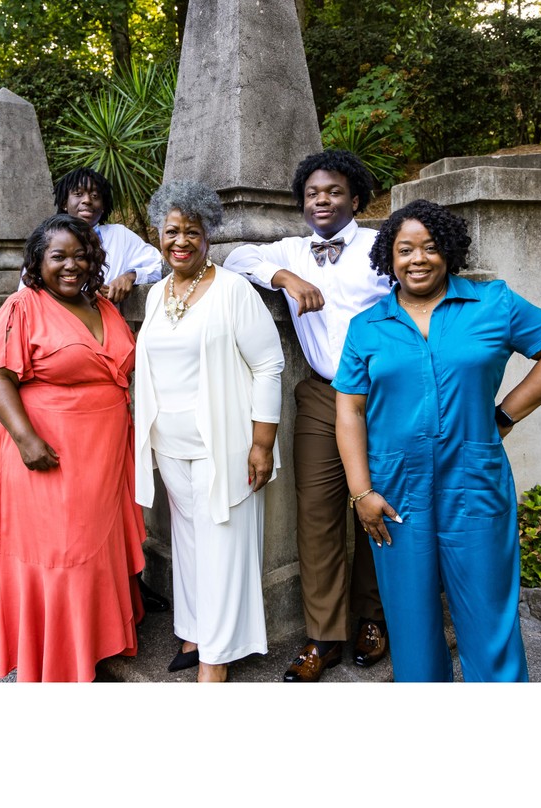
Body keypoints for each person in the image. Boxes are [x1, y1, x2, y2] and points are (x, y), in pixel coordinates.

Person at [334, 199, 541, 682]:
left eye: (430, 247)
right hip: (394, 490)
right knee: (410, 620)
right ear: (389, 257)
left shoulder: (494, 303)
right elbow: (349, 409)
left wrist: (507, 414)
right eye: (405, 249)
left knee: (489, 613)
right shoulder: (366, 327)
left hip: (475, 479)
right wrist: (361, 491)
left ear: (448, 251)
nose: (418, 259)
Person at [223, 149, 389, 682]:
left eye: (334, 191)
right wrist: (285, 278)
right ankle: (324, 635)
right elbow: (234, 259)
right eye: (313, 193)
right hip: (321, 394)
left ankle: (373, 618)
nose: (323, 200)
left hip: (386, 396)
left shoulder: (380, 246)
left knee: (376, 511)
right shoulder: (292, 249)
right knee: (317, 515)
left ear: (355, 199)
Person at [0, 213, 147, 682]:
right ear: (38, 261)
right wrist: (27, 440)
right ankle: (58, 655)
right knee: (62, 552)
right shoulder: (23, 306)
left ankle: (97, 638)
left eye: (80, 256)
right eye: (58, 257)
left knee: (97, 547)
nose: (70, 266)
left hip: (106, 452)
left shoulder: (104, 306)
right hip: (48, 451)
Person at [134, 180, 284, 683]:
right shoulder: (157, 293)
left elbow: (269, 366)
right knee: (191, 543)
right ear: (159, 234)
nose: (180, 240)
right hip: (171, 446)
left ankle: (216, 659)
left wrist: (263, 444)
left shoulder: (232, 289)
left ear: (207, 236)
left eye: (191, 232)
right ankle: (195, 630)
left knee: (222, 546)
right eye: (171, 231)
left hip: (228, 447)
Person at [18, 167, 163, 304]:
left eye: (95, 195)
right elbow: (26, 291)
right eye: (78, 194)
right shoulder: (48, 237)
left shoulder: (120, 235)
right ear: (64, 203)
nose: (87, 200)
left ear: (103, 206)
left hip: (107, 324)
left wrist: (131, 276)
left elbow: (159, 266)